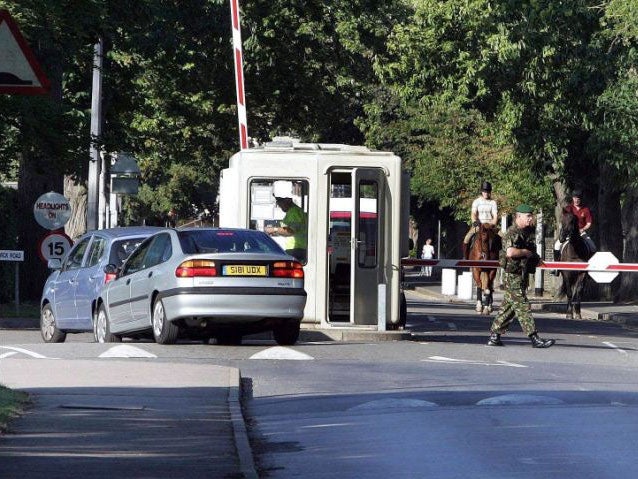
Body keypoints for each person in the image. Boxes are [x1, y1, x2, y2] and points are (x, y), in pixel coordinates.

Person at [488, 204, 555, 348]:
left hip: (521, 275)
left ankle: (494, 335)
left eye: (531, 216)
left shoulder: (527, 233)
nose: (531, 219)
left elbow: (531, 252)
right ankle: (534, 338)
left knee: (509, 307)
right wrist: (526, 252)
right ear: (518, 217)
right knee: (523, 306)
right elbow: (510, 253)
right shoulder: (512, 233)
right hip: (513, 275)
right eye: (528, 216)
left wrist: (535, 258)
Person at [550, 189, 596, 275]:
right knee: (557, 245)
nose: (576, 200)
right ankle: (556, 267)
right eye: (575, 198)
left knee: (593, 247)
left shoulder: (585, 210)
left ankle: (589, 268)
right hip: (568, 233)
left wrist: (583, 229)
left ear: (580, 199)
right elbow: (564, 219)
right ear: (572, 198)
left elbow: (589, 223)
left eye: (578, 198)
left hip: (581, 232)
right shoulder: (569, 208)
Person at [265, 195, 308, 262]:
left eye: (280, 202)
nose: (279, 205)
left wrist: (274, 229)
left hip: (296, 248)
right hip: (297, 248)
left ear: (288, 200)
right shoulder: (294, 211)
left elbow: (290, 231)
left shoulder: (294, 212)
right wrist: (276, 232)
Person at [463, 181, 498, 259]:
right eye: (484, 191)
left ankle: (503, 258)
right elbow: (473, 213)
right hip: (479, 225)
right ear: (482, 191)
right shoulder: (476, 202)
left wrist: (493, 224)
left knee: (503, 236)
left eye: (488, 191)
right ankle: (465, 257)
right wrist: (474, 222)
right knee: (467, 238)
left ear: (490, 192)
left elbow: (495, 216)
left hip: (489, 225)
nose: (486, 193)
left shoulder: (493, 202)